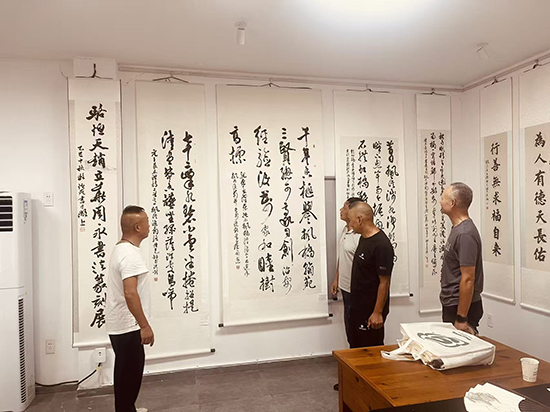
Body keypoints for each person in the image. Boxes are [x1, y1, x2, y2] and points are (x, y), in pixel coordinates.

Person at [106, 205, 154, 412]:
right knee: (129, 376)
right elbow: (130, 293)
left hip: (121, 324)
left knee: (125, 374)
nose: (149, 225)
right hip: (128, 325)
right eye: (147, 222)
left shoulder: (122, 249)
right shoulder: (130, 255)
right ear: (137, 227)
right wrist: (144, 326)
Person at [347, 201, 394, 348]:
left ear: (360, 219)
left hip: (371, 310)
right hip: (357, 306)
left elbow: (384, 282)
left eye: (351, 220)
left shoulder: (381, 245)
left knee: (370, 349)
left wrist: (377, 313)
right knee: (355, 346)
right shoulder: (364, 237)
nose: (350, 225)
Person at [439, 182, 484, 335]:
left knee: (463, 347)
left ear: (452, 203)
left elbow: (468, 278)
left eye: (443, 198)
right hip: (453, 303)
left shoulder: (465, 234)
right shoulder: (458, 229)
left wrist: (461, 317)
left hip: (461, 306)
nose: (440, 201)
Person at [331, 197, 361, 391]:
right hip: (345, 288)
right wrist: (336, 279)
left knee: (358, 334)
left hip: (357, 291)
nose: (341, 210)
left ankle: (357, 379)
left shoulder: (360, 235)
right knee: (350, 331)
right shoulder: (345, 230)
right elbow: (342, 258)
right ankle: (352, 376)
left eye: (344, 207)